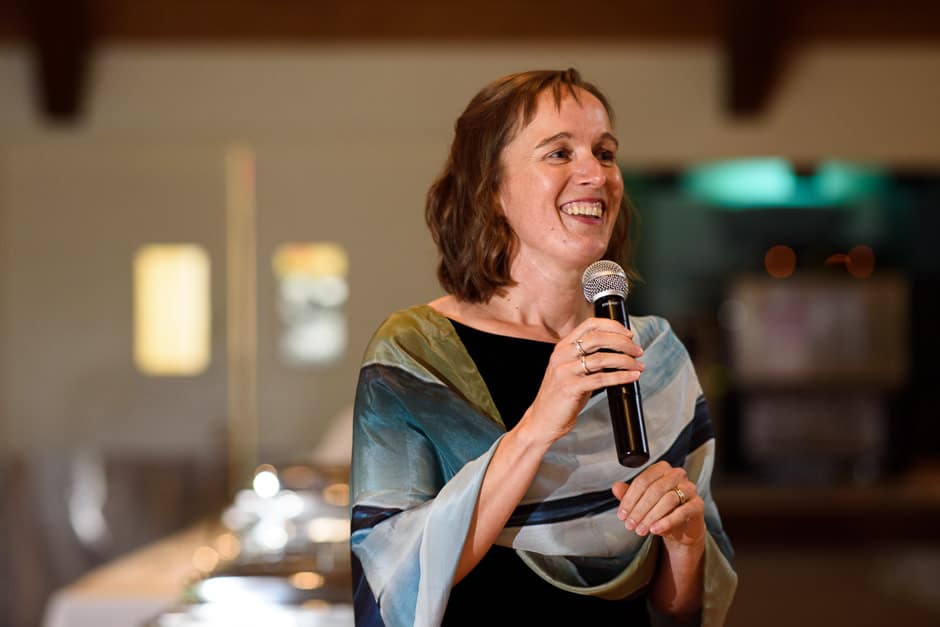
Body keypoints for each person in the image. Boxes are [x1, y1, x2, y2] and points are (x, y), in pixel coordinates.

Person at [349, 68, 737, 627]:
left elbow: (674, 612)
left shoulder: (657, 354)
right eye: (559, 153)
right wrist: (538, 423)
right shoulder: (412, 355)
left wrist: (686, 542)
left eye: (604, 153)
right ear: (492, 189)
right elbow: (391, 579)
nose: (595, 175)